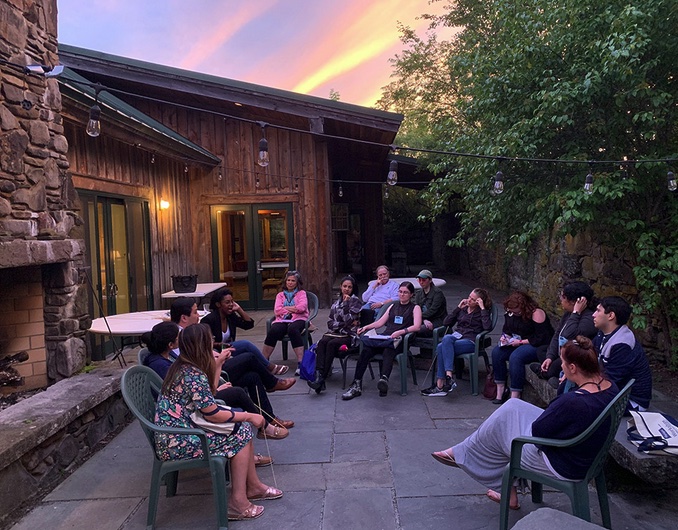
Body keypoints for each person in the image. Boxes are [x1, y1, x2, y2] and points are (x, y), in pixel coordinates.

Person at [432, 336, 619, 510]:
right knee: (513, 406)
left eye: (562, 362)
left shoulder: (574, 401)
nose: (560, 366)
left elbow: (539, 431)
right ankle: (465, 453)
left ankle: (472, 462)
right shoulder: (610, 387)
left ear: (572, 368)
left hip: (564, 463)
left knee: (500, 431)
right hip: (586, 452)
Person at [155, 323, 284, 521]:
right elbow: (212, 413)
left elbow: (209, 395)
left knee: (240, 427)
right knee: (240, 433)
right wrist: (250, 416)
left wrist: (219, 364)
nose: (214, 343)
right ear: (203, 345)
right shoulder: (192, 374)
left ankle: (254, 487)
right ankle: (238, 502)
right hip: (177, 441)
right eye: (210, 341)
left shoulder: (185, 366)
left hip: (181, 430)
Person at [141, 321, 288, 442]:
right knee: (239, 407)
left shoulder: (175, 359)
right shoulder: (171, 366)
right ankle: (264, 423)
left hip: (193, 406)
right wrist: (248, 416)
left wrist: (218, 369)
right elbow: (209, 411)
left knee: (251, 377)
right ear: (170, 344)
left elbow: (201, 389)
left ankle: (266, 421)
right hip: (186, 423)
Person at [171, 298, 296, 431]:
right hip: (209, 375)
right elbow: (192, 365)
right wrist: (217, 360)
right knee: (249, 358)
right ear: (184, 318)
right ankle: (272, 384)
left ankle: (268, 420)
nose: (198, 316)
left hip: (210, 369)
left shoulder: (190, 332)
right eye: (195, 312)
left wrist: (214, 354)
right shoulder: (179, 337)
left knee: (252, 376)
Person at [342, 281, 422, 399]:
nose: (402, 294)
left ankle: (383, 379)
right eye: (400, 292)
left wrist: (401, 331)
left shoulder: (415, 308)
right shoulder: (392, 306)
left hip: (401, 339)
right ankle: (356, 384)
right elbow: (380, 322)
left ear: (411, 295)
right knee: (366, 350)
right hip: (386, 336)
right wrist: (366, 327)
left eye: (405, 292)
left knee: (388, 350)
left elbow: (417, 326)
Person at [421, 288, 492, 396]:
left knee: (444, 343)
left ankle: (442, 383)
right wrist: (458, 308)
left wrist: (482, 308)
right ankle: (445, 381)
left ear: (478, 302)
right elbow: (446, 322)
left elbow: (487, 327)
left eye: (473, 299)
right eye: (469, 297)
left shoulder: (481, 312)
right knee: (444, 343)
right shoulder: (463, 309)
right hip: (456, 339)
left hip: (470, 341)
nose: (469, 300)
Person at [201, 288, 289, 375]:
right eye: (227, 302)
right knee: (245, 344)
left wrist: (239, 309)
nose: (231, 304)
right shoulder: (209, 320)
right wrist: (220, 344)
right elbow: (205, 343)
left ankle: (264, 370)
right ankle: (270, 367)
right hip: (216, 351)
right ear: (218, 304)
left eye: (232, 301)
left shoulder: (230, 316)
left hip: (228, 348)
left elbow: (249, 325)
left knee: (249, 353)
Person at [531, 281, 597, 388]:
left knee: (554, 368)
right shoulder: (568, 314)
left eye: (563, 297)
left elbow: (568, 334)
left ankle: (546, 373)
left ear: (573, 302)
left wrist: (576, 313)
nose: (561, 300)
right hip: (560, 352)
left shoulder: (589, 318)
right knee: (541, 351)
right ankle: (549, 369)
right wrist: (550, 357)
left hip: (572, 357)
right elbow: (558, 335)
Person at [491, 291, 554, 403]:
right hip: (516, 341)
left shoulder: (536, 313)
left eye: (517, 312)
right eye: (512, 312)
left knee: (516, 357)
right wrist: (505, 338)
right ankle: (500, 389)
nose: (515, 314)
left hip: (536, 345)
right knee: (497, 352)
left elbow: (542, 337)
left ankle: (515, 394)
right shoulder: (510, 313)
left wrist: (520, 342)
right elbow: (507, 330)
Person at [592, 296, 652, 411]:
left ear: (611, 316)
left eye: (598, 310)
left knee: (582, 405)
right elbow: (588, 354)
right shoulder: (603, 333)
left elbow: (611, 380)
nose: (593, 314)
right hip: (614, 391)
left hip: (631, 401)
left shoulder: (622, 344)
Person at [308, 275, 362, 394]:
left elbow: (348, 322)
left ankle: (321, 379)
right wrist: (343, 324)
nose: (346, 289)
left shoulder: (355, 302)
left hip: (350, 335)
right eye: (344, 286)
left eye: (349, 287)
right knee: (322, 342)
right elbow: (330, 323)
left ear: (353, 289)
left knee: (332, 344)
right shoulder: (337, 302)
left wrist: (346, 307)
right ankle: (319, 375)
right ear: (341, 287)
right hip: (336, 333)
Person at [261, 270, 309, 369]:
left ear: (297, 283)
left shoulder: (301, 293)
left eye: (293, 281)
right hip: (282, 320)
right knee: (273, 331)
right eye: (288, 280)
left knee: (293, 330)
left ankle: (301, 363)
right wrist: (293, 308)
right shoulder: (280, 295)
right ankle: (264, 362)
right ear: (285, 281)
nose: (290, 283)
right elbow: (277, 311)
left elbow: (302, 308)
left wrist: (286, 308)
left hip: (299, 319)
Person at [413, 269, 447, 337]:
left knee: (420, 330)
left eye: (424, 280)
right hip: (423, 318)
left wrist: (419, 317)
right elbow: (415, 308)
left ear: (430, 280)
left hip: (437, 320)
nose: (421, 282)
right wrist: (423, 319)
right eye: (419, 280)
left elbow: (433, 310)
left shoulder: (437, 293)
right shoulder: (419, 293)